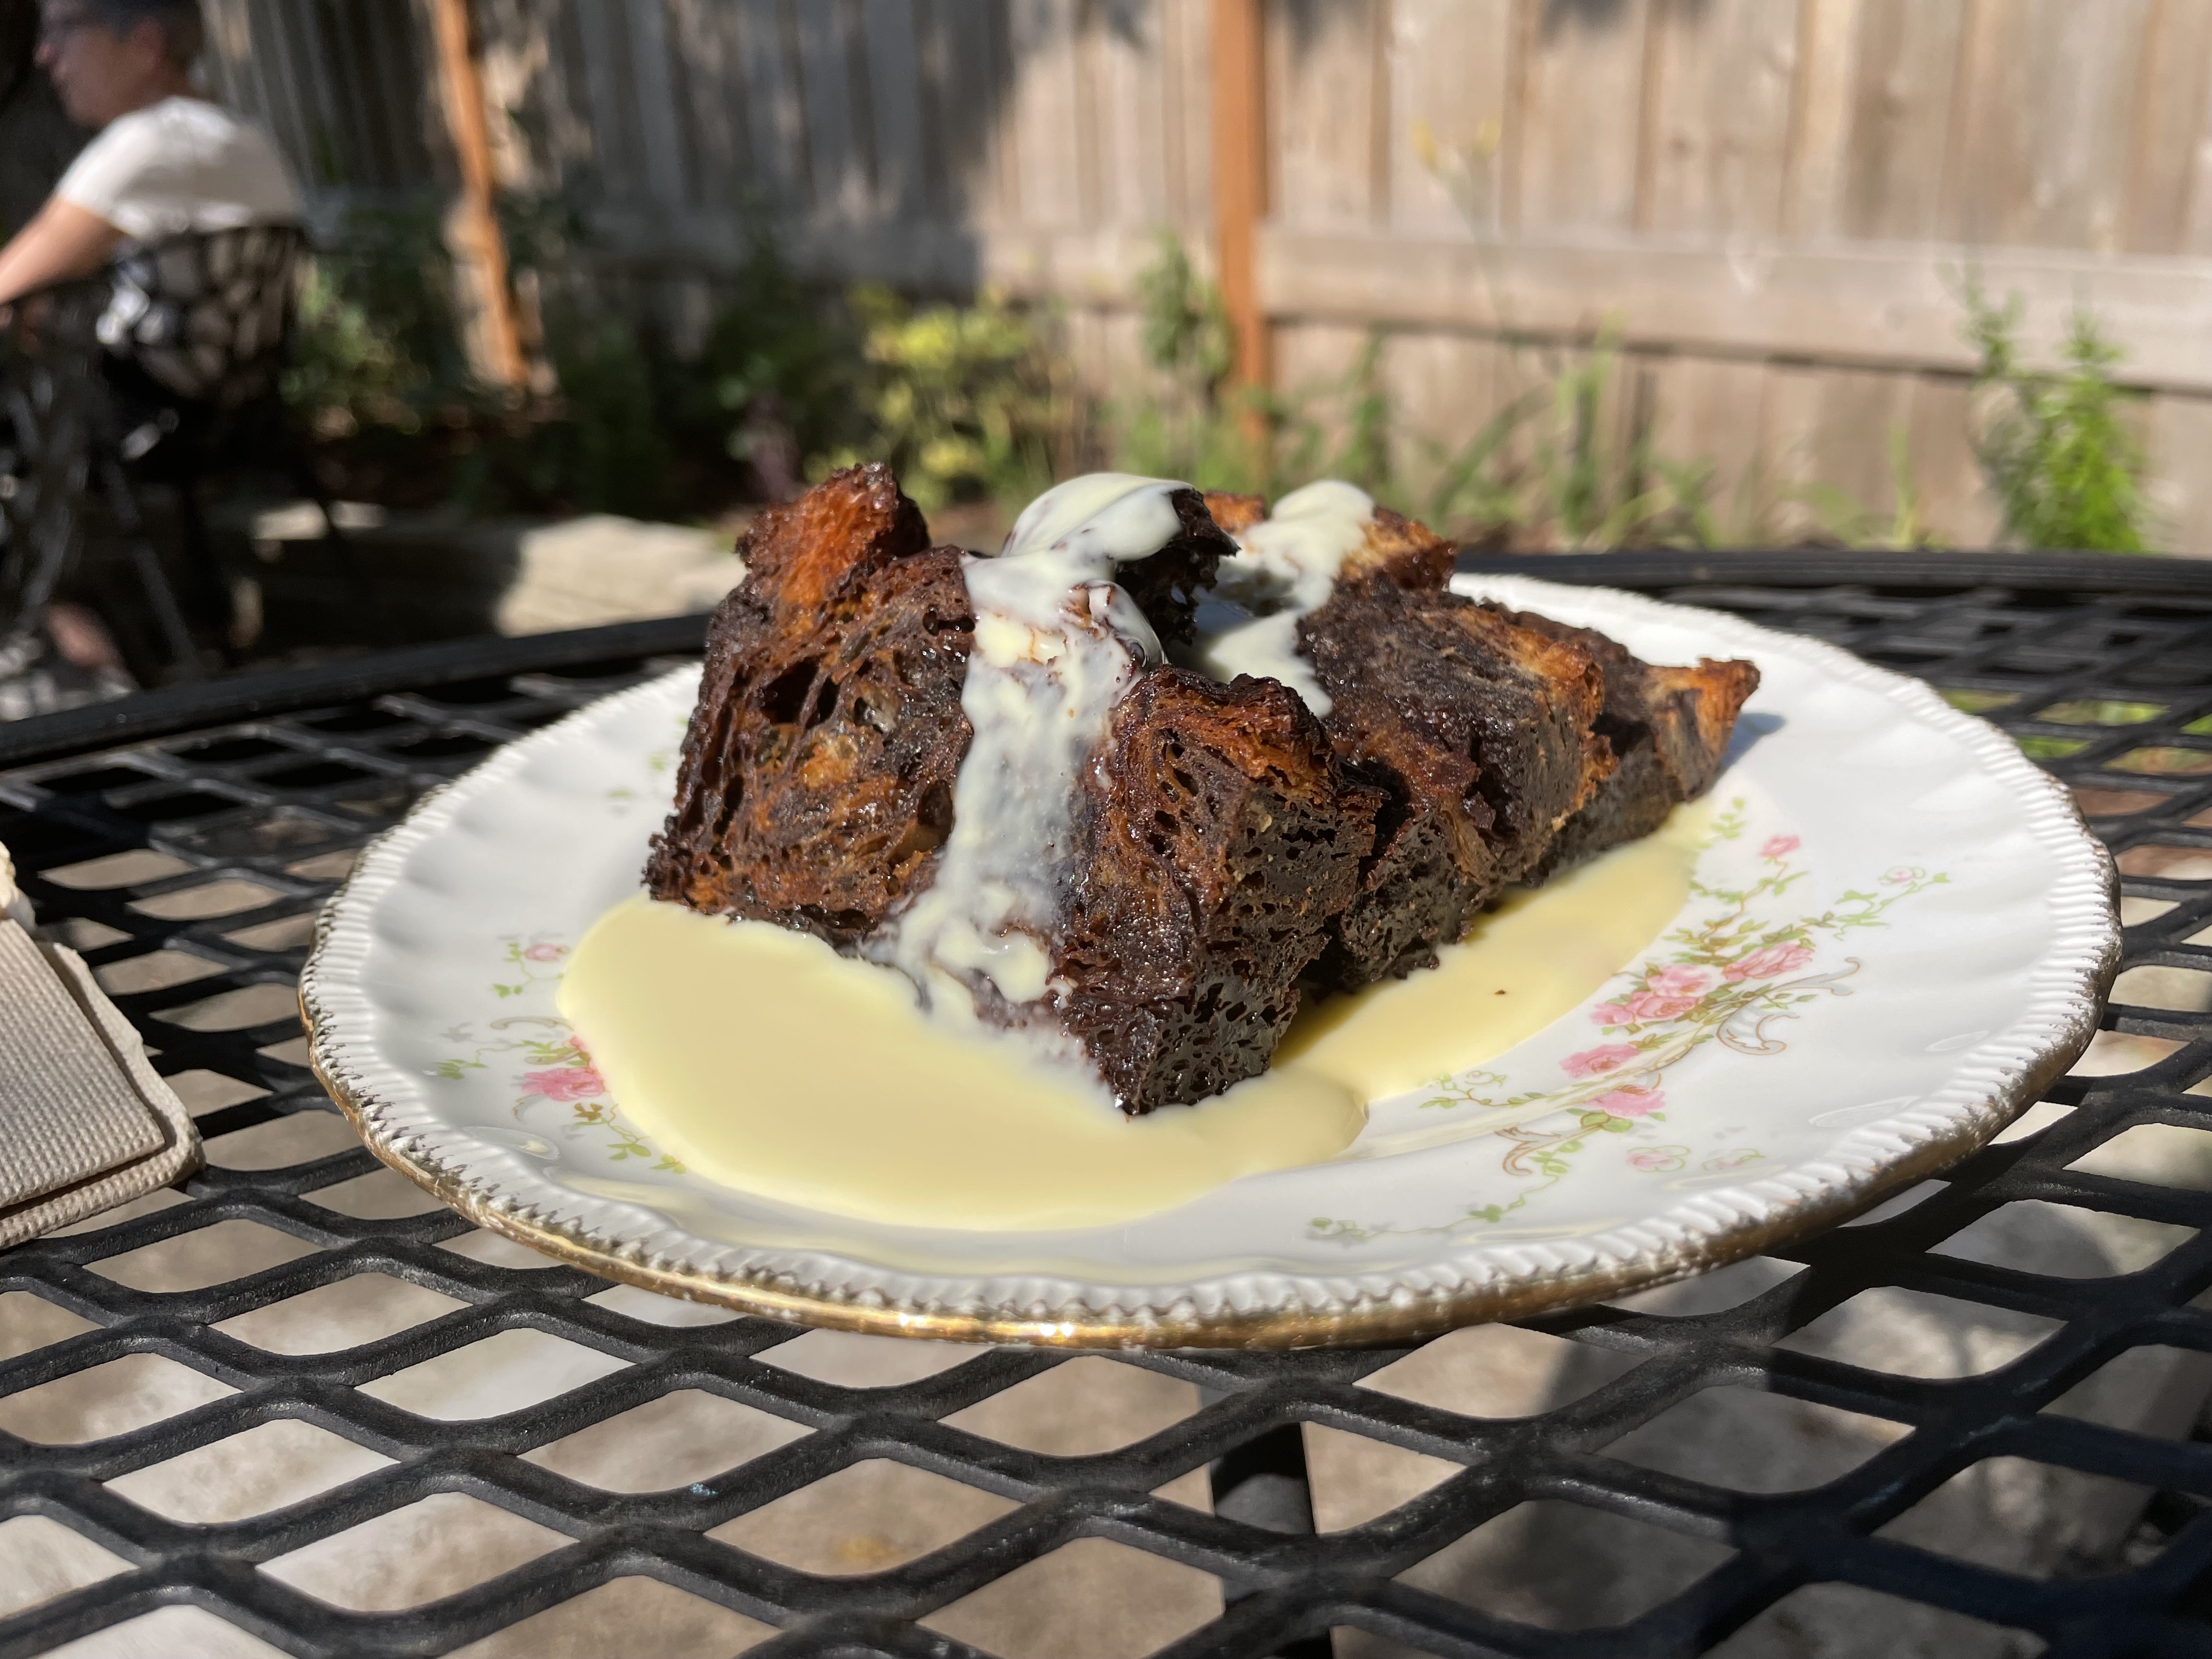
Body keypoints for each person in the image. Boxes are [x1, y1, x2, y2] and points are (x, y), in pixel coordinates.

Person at [0, 0, 301, 309]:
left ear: (145, 44)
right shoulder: (252, 141)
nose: (44, 55)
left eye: (65, 28)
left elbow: (7, 283)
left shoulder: (153, 142)